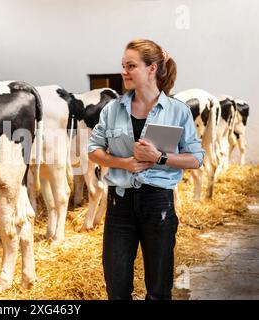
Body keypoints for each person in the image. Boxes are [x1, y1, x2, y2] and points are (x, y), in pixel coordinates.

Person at [88, 39, 205, 300]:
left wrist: (160, 157)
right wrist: (124, 163)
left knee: (159, 290)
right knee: (116, 290)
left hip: (158, 204)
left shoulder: (177, 111)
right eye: (123, 66)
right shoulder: (111, 110)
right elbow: (93, 151)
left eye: (131, 66)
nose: (124, 72)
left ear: (152, 69)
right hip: (119, 205)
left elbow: (197, 158)